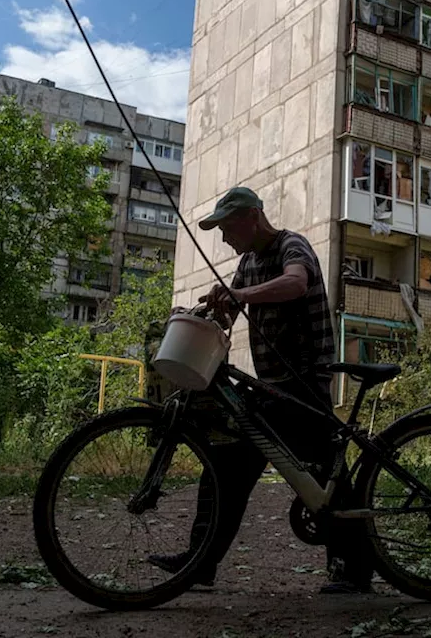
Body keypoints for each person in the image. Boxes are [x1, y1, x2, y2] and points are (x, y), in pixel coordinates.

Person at [148, 186, 374, 595]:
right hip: (273, 387)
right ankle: (201, 562)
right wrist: (205, 310)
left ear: (252, 217)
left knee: (326, 477)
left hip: (305, 383)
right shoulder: (248, 262)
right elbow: (232, 306)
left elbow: (295, 284)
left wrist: (242, 294)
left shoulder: (292, 246)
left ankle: (354, 571)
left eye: (226, 227)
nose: (223, 237)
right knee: (226, 466)